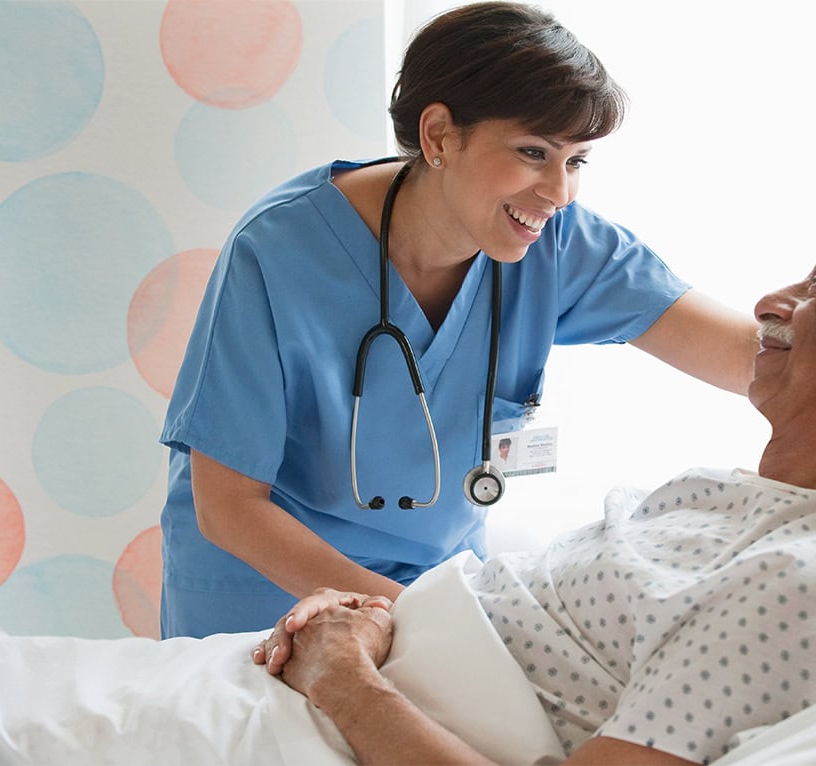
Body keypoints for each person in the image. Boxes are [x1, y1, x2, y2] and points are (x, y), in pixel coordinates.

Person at [251, 226, 816, 764]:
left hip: (338, 713)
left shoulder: (802, 582)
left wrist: (343, 679)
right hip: (335, 676)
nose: (767, 302)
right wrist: (369, 622)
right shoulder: (734, 500)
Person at [158, 1, 758, 638]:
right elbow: (229, 509)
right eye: (534, 152)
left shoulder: (554, 241)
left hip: (436, 586)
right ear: (440, 134)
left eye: (576, 161)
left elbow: (743, 355)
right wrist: (424, 621)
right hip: (267, 592)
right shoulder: (279, 252)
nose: (559, 192)